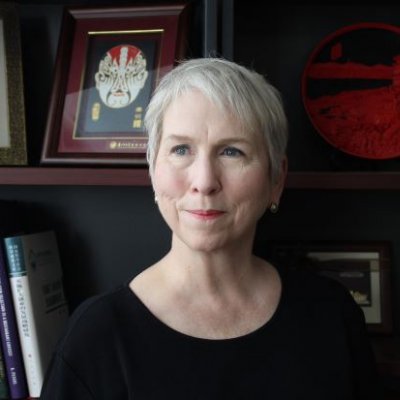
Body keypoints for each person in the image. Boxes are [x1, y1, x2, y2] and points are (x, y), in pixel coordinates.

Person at [40, 58, 381, 399]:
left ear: (276, 179)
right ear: (152, 170)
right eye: (181, 149)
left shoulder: (332, 315)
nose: (204, 182)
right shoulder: (95, 338)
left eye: (232, 151)